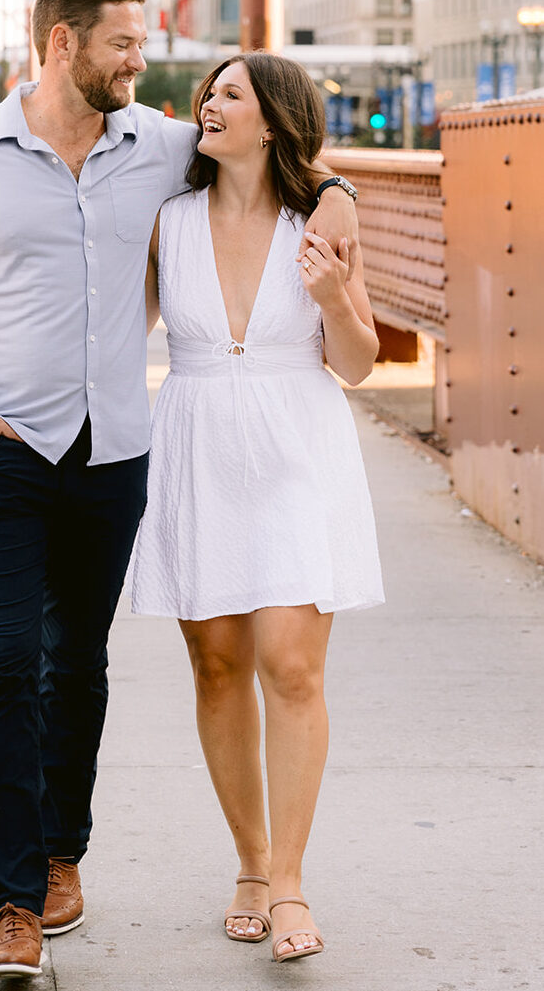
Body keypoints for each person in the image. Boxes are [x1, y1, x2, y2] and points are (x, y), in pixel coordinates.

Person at [0, 0, 359, 979]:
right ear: (64, 42)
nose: (142, 65)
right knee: (6, 665)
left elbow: (273, 149)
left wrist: (338, 188)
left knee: (79, 666)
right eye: (123, 46)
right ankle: (13, 901)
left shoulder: (155, 143)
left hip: (112, 461)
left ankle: (64, 854)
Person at [130, 52, 384, 963]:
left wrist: (332, 300)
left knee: (292, 666)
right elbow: (121, 331)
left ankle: (289, 882)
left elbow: (357, 363)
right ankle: (247, 860)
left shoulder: (316, 222)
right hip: (196, 444)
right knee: (217, 662)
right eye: (209, 89)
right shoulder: (167, 220)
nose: (208, 100)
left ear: (273, 120)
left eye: (229, 92)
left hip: (294, 448)